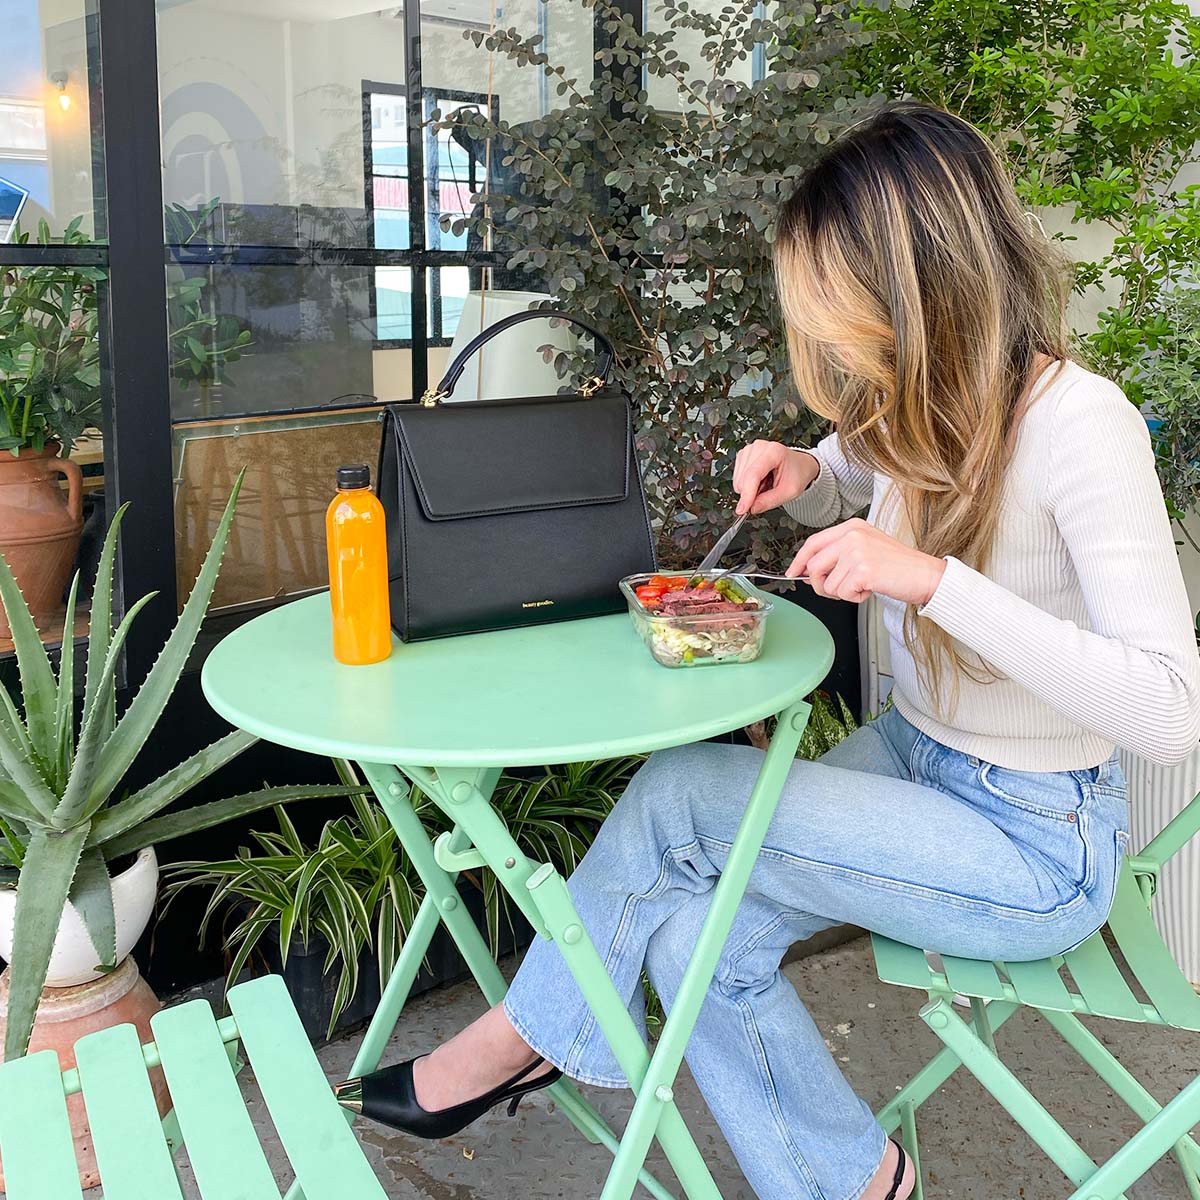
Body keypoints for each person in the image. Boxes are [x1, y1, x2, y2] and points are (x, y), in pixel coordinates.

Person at [333, 103, 1200, 1200]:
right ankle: (857, 1183)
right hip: (917, 758)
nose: (832, 341)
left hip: (1037, 842)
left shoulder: (1086, 426)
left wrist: (932, 581)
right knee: (690, 934)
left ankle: (523, 1037)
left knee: (689, 789)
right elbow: (860, 468)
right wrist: (806, 466)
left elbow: (1171, 711)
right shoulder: (920, 400)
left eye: (839, 308)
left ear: (916, 283)